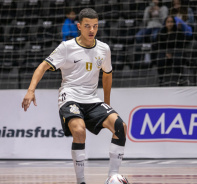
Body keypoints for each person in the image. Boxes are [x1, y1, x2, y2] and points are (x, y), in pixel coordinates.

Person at [22, 8, 127, 184]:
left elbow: (107, 74)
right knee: (79, 131)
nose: (92, 30)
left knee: (120, 126)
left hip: (92, 99)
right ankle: (81, 182)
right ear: (79, 26)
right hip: (69, 96)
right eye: (87, 26)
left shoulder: (104, 49)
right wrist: (31, 90)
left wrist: (107, 103)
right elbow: (43, 66)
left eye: (95, 26)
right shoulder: (66, 47)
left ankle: (112, 176)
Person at [154, 15, 190, 86]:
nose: (170, 24)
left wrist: (172, 53)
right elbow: (159, 45)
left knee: (177, 58)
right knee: (160, 59)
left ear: (174, 23)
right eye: (168, 22)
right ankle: (161, 78)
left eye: (171, 22)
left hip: (177, 52)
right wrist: (166, 52)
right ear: (165, 23)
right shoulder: (161, 32)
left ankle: (181, 77)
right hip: (164, 52)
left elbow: (181, 45)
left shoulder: (179, 32)